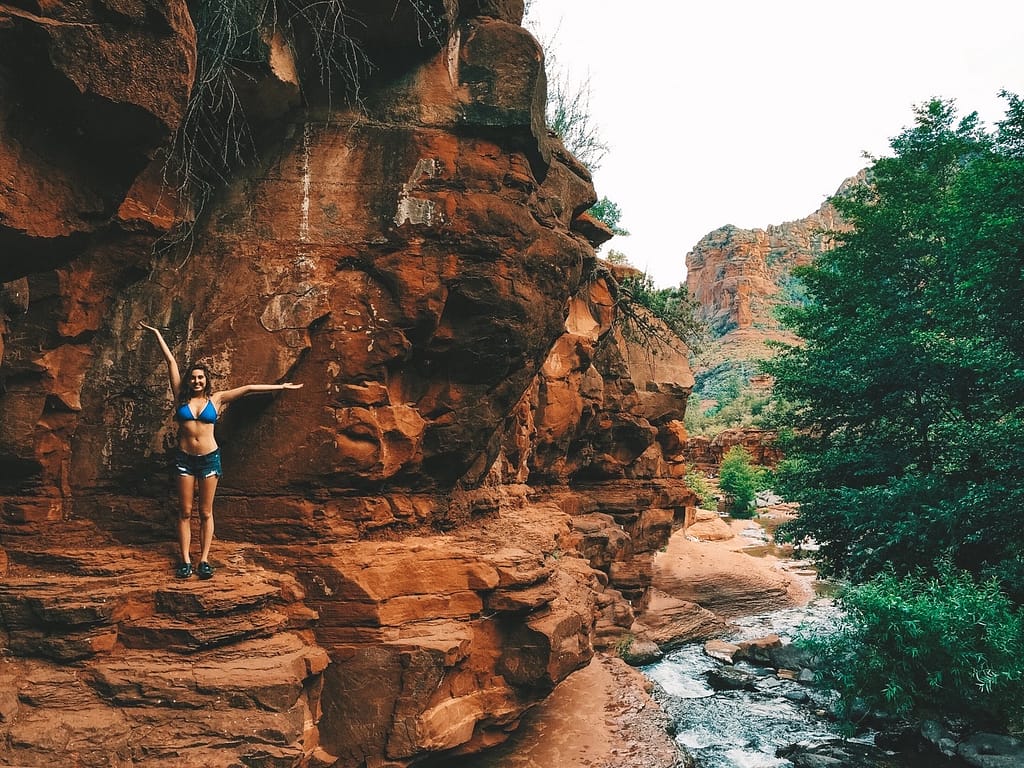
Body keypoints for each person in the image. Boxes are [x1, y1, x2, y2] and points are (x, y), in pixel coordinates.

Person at [141, 322, 303, 579]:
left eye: (200, 377)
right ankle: (184, 560)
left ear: (206, 381)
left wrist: (281, 387)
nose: (196, 380)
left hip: (209, 460)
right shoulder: (180, 398)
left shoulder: (216, 399)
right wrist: (158, 334)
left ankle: (204, 559)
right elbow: (171, 361)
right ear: (189, 380)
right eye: (193, 377)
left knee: (205, 512)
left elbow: (249, 389)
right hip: (184, 460)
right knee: (184, 511)